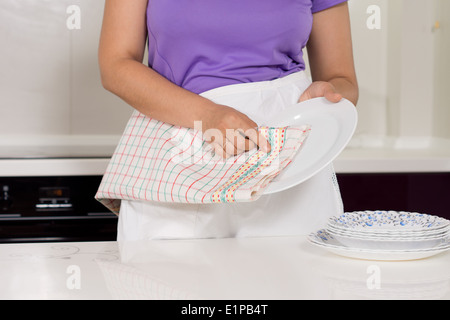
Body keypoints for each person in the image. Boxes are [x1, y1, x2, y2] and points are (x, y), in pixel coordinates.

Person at [98, 0, 359, 241]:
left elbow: (342, 80)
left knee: (295, 280)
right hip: (183, 143)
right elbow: (116, 64)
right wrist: (207, 115)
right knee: (172, 282)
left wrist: (326, 97)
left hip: (288, 151)